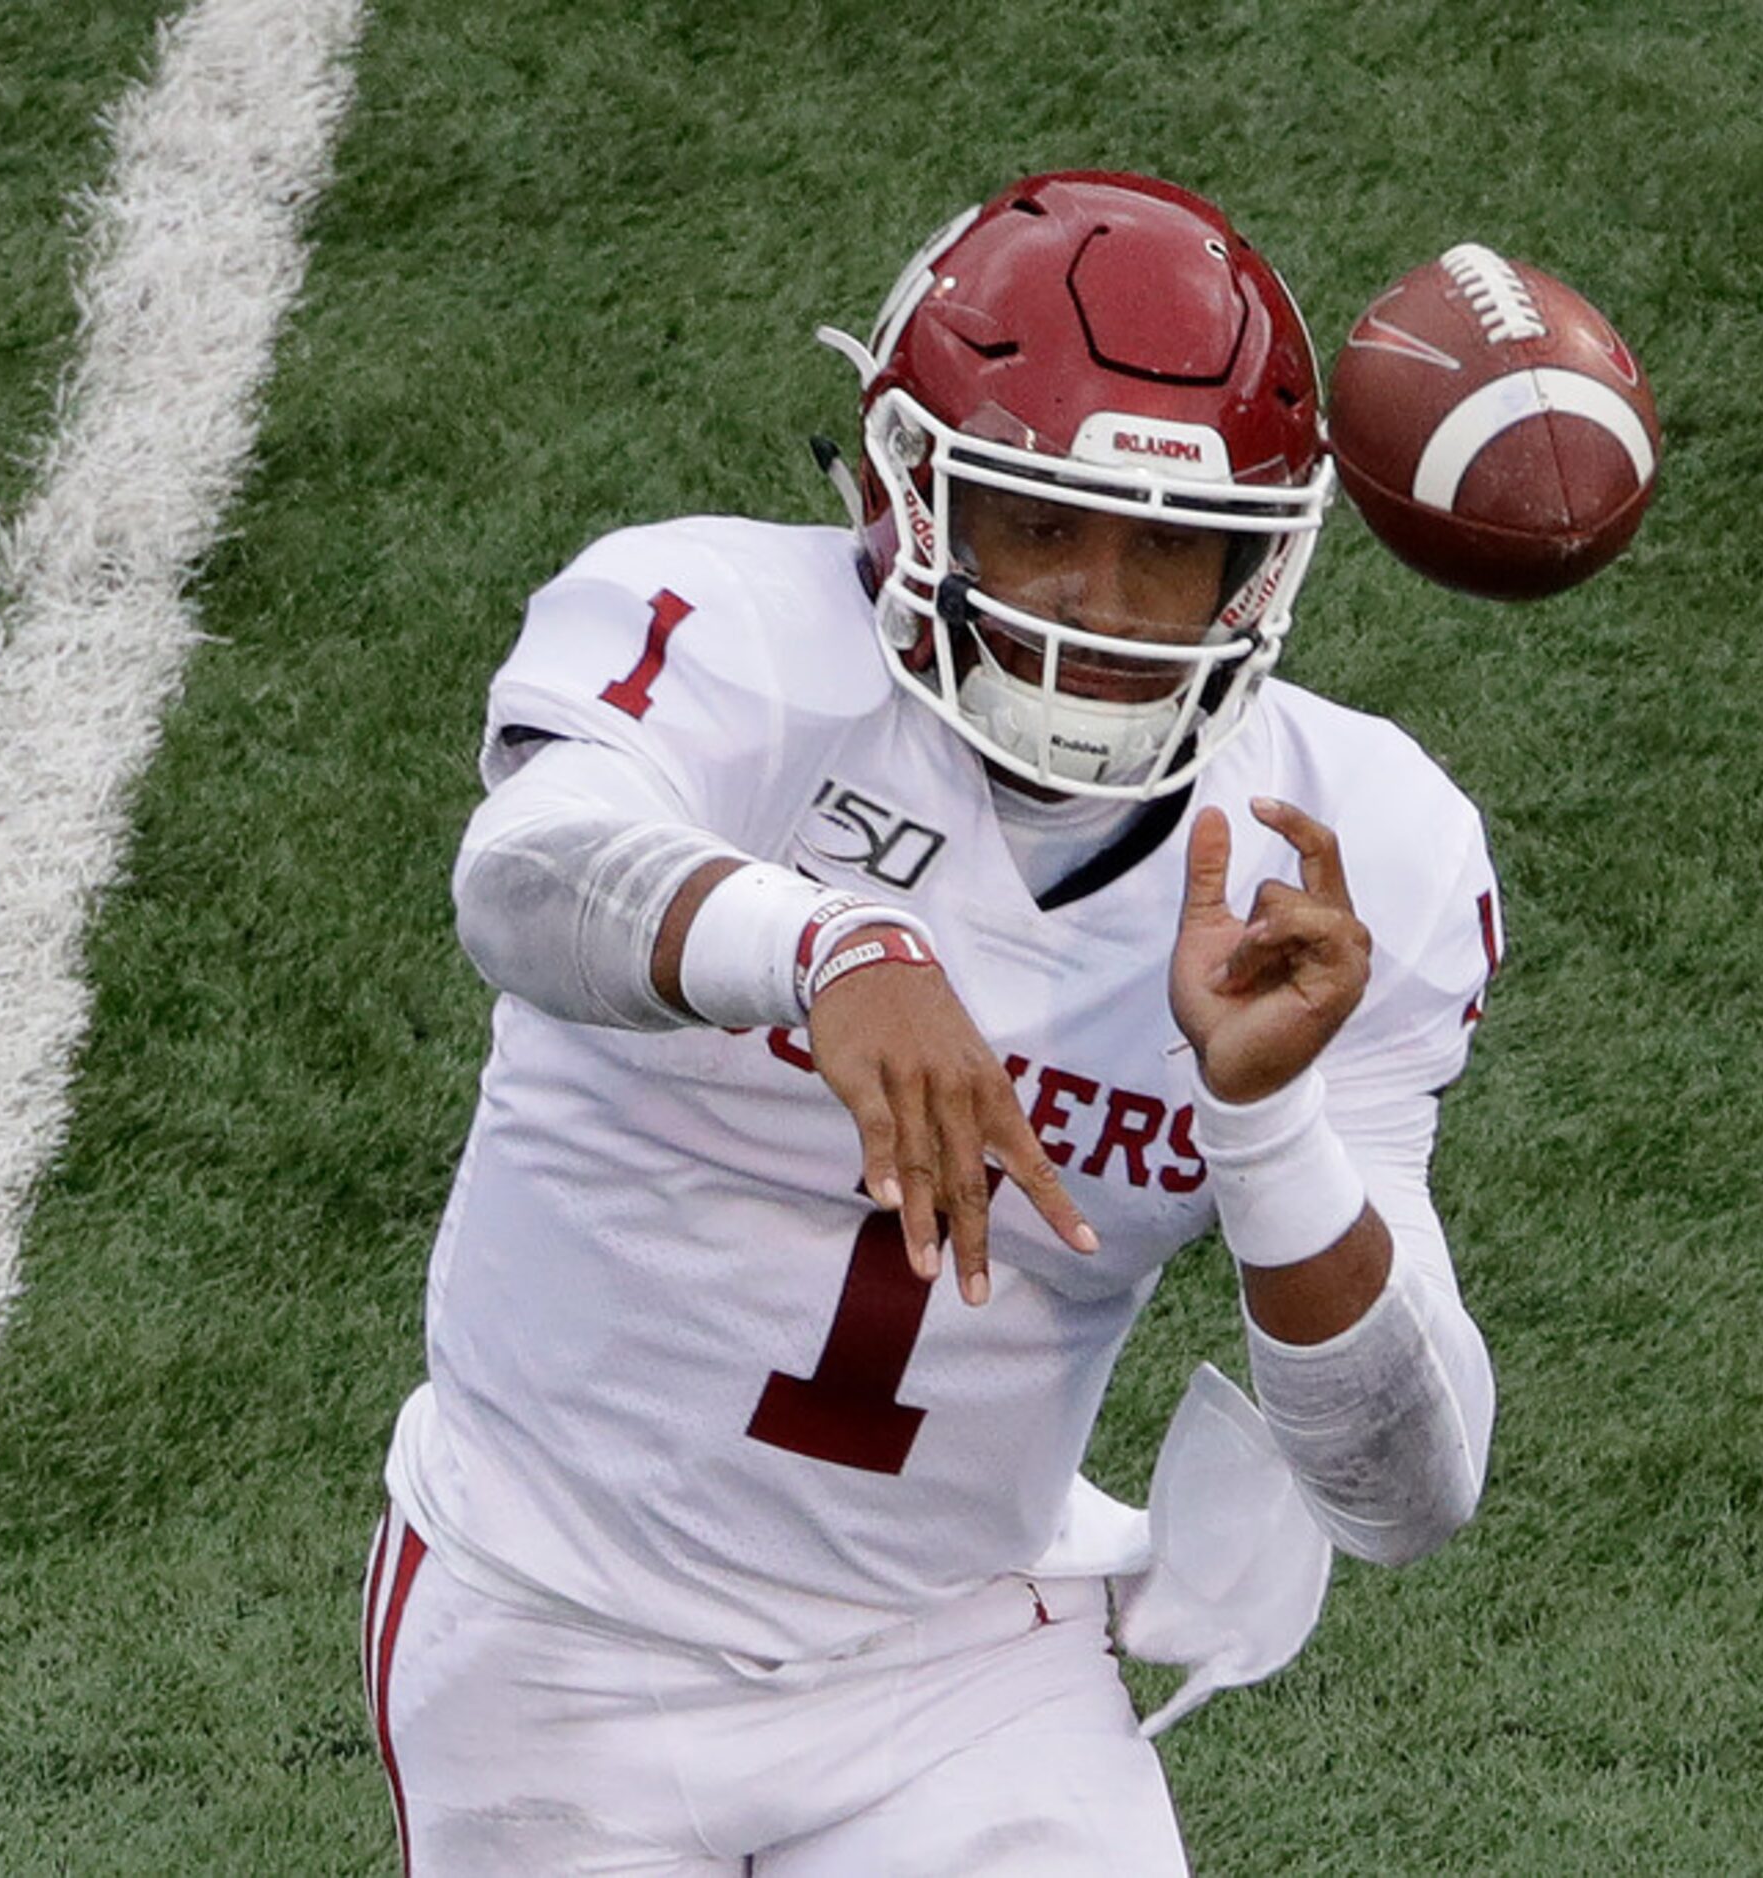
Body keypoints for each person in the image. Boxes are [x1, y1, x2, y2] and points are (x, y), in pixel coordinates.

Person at [361, 170, 1505, 1876]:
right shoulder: (734, 639)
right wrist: (823, 944)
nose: (1105, 612)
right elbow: (522, 877)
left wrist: (1270, 1125)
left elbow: (1407, 1494)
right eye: (1044, 525)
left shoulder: (1350, 852)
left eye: (1172, 550)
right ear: (915, 496)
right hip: (556, 1619)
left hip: (958, 1656)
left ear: (1258, 570)